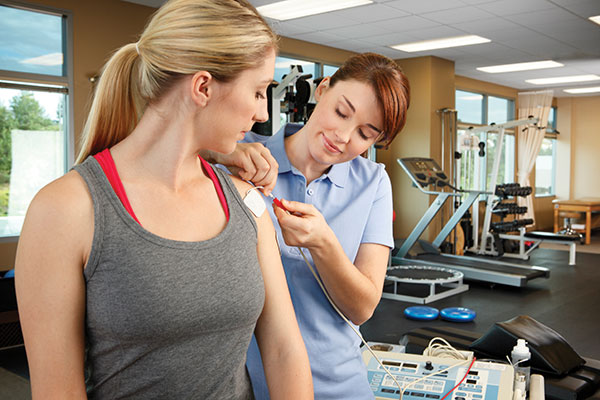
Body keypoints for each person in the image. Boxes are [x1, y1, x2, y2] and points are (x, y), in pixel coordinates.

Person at [14, 0, 313, 398]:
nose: (262, 113)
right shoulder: (66, 210)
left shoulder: (247, 203)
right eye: (258, 91)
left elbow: (283, 350)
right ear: (203, 87)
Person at [208, 52, 410, 399]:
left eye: (365, 133)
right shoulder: (242, 159)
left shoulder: (374, 182)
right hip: (247, 387)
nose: (343, 136)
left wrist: (323, 244)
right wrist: (219, 153)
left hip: (340, 384)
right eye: (341, 112)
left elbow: (362, 307)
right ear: (323, 89)